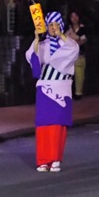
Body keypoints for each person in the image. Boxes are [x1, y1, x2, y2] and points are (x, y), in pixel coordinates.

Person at [25, 10, 79, 171]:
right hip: (45, 88)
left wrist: (61, 35)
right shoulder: (43, 45)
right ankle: (43, 159)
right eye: (50, 25)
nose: (53, 28)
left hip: (61, 88)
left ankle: (55, 158)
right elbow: (32, 57)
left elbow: (74, 50)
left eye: (56, 25)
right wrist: (36, 37)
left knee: (57, 124)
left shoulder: (68, 43)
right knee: (43, 124)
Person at [68, 10, 88, 100]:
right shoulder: (68, 28)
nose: (74, 18)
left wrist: (75, 42)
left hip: (79, 54)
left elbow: (83, 41)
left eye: (76, 16)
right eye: (72, 16)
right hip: (69, 55)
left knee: (79, 75)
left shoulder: (83, 28)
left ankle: (78, 93)